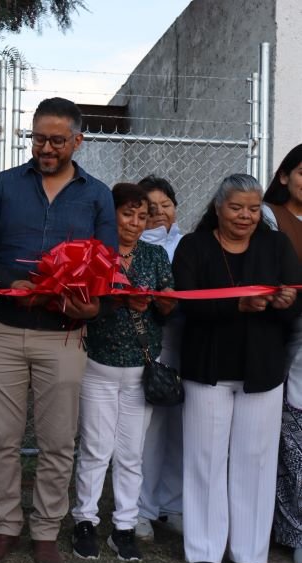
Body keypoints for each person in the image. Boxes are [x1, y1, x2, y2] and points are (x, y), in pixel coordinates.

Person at [0, 97, 117, 563]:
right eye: (37, 138)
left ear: (77, 140)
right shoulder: (6, 185)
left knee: (57, 441)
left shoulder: (97, 195)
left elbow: (106, 263)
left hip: (64, 336)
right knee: (2, 437)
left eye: (55, 139)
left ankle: (46, 531)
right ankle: (6, 526)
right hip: (3, 331)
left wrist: (90, 298)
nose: (45, 148)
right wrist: (11, 281)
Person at [173, 174, 301, 563]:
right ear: (217, 206)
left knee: (256, 461)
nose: (246, 216)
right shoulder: (194, 247)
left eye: (253, 208)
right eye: (236, 207)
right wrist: (237, 307)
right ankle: (204, 548)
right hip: (207, 369)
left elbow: (293, 311)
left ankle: (250, 550)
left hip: (262, 371)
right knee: (204, 459)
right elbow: (185, 306)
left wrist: (285, 302)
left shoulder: (277, 245)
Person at [70, 183, 176, 561]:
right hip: (97, 366)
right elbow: (84, 302)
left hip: (140, 371)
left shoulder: (155, 256)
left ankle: (124, 526)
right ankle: (85, 520)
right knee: (96, 449)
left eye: (142, 216)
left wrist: (160, 302)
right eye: (127, 214)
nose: (134, 223)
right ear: (111, 213)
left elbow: (170, 307)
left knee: (131, 454)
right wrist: (120, 300)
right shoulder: (96, 254)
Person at [135, 175, 185, 541]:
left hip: (187, 346)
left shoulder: (190, 244)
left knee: (181, 430)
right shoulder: (131, 249)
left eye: (165, 205)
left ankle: (174, 506)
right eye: (149, 208)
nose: (158, 214)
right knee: (147, 431)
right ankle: (142, 509)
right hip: (148, 347)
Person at [261, 144, 302, 563]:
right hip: (278, 335)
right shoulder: (269, 215)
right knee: (286, 440)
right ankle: (285, 527)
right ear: (286, 175)